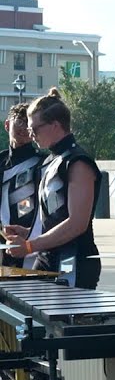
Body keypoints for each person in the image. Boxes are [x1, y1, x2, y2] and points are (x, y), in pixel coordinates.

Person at [4, 89, 101, 288]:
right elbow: (55, 216)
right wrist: (28, 232)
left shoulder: (77, 162)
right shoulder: (51, 161)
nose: (30, 134)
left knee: (60, 318)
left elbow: (76, 224)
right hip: (48, 258)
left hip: (72, 260)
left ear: (55, 126)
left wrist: (30, 245)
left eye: (34, 129)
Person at [0, 103, 46, 269]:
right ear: (7, 125)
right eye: (19, 121)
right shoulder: (1, 161)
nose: (23, 127)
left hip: (30, 245)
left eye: (28, 123)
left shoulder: (43, 163)